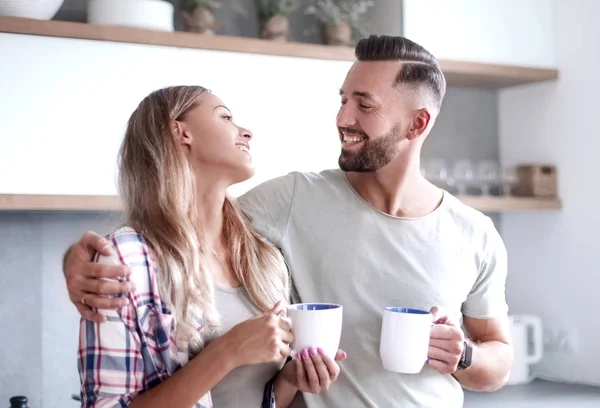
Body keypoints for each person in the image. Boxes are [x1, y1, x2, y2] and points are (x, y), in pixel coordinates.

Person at [64, 35, 513, 408]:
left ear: (417, 124)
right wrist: (79, 259)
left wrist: (465, 355)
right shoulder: (295, 197)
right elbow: (183, 225)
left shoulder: (475, 233)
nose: (342, 117)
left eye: (364, 105)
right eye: (342, 100)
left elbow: (499, 360)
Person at [71, 85, 345, 408]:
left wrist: (289, 380)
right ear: (181, 131)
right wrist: (227, 351)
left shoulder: (263, 261)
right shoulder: (127, 259)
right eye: (225, 117)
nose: (247, 132)